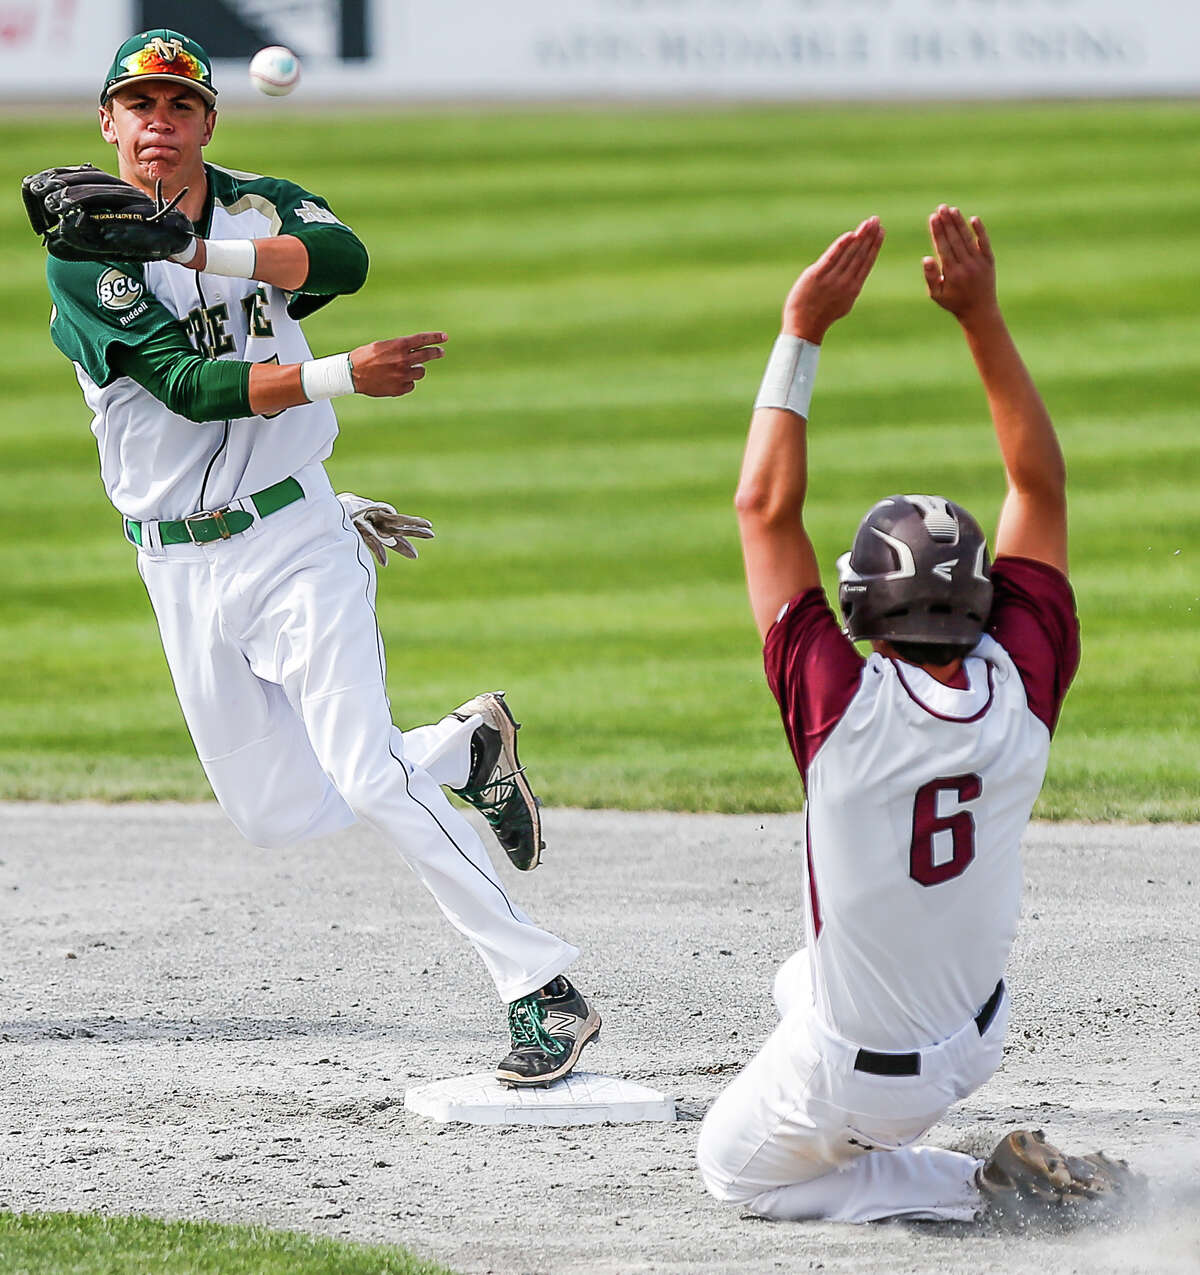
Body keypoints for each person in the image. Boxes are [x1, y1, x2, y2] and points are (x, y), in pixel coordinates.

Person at [35, 28, 600, 1088]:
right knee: (280, 813)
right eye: (139, 106)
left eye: (180, 106)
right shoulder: (83, 255)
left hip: (298, 538)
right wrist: (342, 372)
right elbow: (188, 388)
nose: (159, 124)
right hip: (178, 566)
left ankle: (542, 989)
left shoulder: (258, 206)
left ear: (210, 122)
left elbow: (344, 262)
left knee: (363, 776)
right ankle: (467, 748)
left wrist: (200, 252)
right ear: (106, 123)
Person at [695, 207, 1139, 1221]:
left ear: (859, 610)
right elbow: (1039, 480)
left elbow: (765, 509)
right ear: (986, 598)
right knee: (795, 978)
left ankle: (988, 1195)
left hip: (864, 1084)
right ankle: (970, 1158)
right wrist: (980, 317)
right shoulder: (1024, 679)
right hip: (976, 1035)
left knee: (734, 1172)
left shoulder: (840, 709)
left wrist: (800, 329)